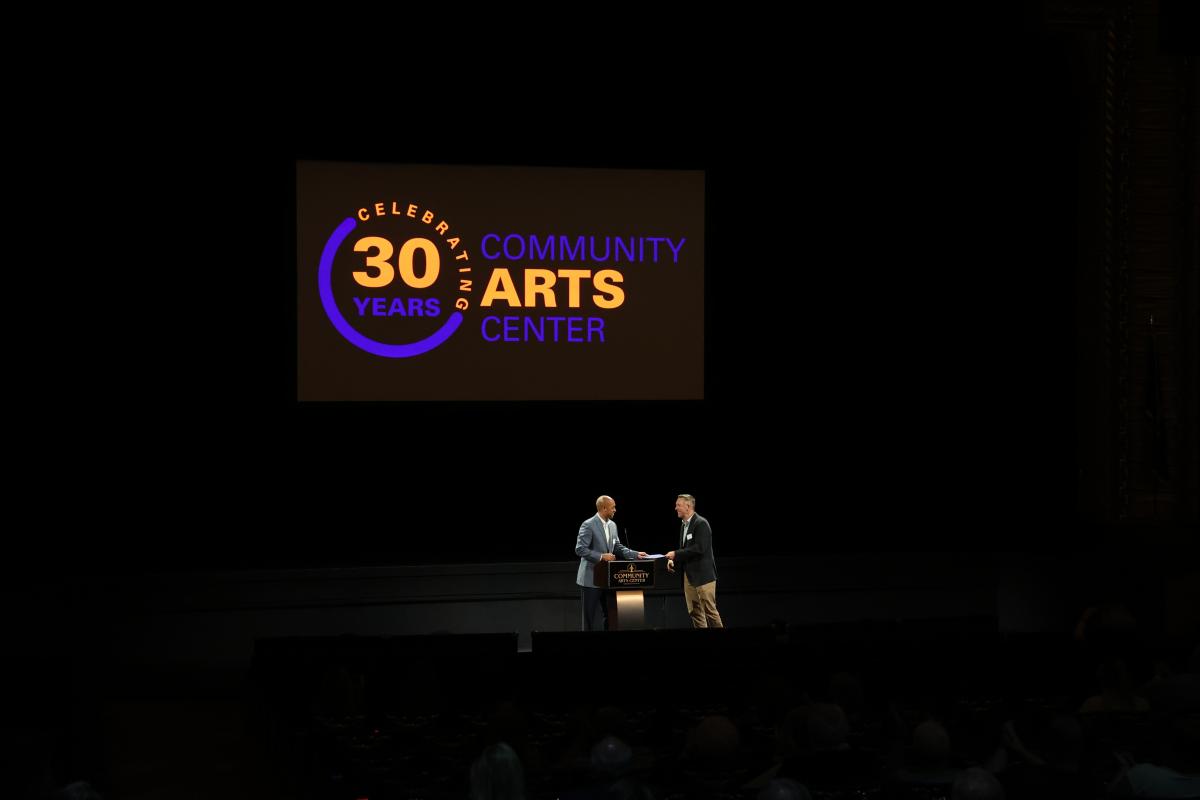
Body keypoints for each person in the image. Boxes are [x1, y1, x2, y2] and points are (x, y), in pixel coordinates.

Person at [575, 495, 647, 631]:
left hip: (608, 579)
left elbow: (617, 547)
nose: (615, 510)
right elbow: (580, 549)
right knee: (590, 618)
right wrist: (602, 556)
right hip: (591, 578)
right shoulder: (588, 524)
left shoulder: (613, 525)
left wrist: (635, 554)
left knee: (609, 616)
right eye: (613, 507)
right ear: (603, 508)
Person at [665, 493, 724, 628]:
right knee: (695, 612)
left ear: (688, 506)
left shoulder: (701, 523)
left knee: (710, 611)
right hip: (689, 577)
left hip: (703, 576)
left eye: (678, 505)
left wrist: (675, 553)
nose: (676, 508)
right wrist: (674, 560)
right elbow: (685, 550)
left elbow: (699, 548)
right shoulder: (684, 525)